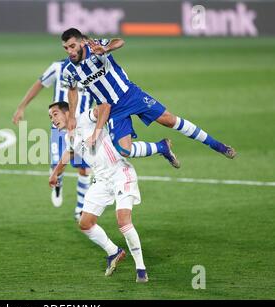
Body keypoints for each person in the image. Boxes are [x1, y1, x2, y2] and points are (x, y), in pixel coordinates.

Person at [60, 28, 236, 161]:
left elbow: (119, 41)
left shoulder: (95, 46)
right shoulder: (68, 69)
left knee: (169, 120)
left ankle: (217, 145)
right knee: (124, 151)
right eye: (66, 48)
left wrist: (106, 49)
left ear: (82, 42)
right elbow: (72, 89)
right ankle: (161, 147)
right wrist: (73, 115)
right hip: (111, 110)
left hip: (130, 95)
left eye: (72, 46)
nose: (70, 51)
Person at [49, 102, 148, 283]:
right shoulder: (68, 137)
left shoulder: (85, 119)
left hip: (120, 173)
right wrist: (55, 173)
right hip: (101, 181)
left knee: (123, 221)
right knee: (85, 223)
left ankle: (141, 269)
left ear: (67, 113)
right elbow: (69, 153)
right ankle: (114, 252)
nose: (52, 120)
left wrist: (96, 133)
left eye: (55, 114)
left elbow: (105, 107)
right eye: (50, 117)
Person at [12, 59, 94, 220]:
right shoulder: (58, 67)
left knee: (84, 169)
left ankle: (80, 208)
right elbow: (39, 84)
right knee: (57, 163)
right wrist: (22, 106)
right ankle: (58, 183)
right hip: (60, 125)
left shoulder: (93, 70)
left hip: (83, 127)